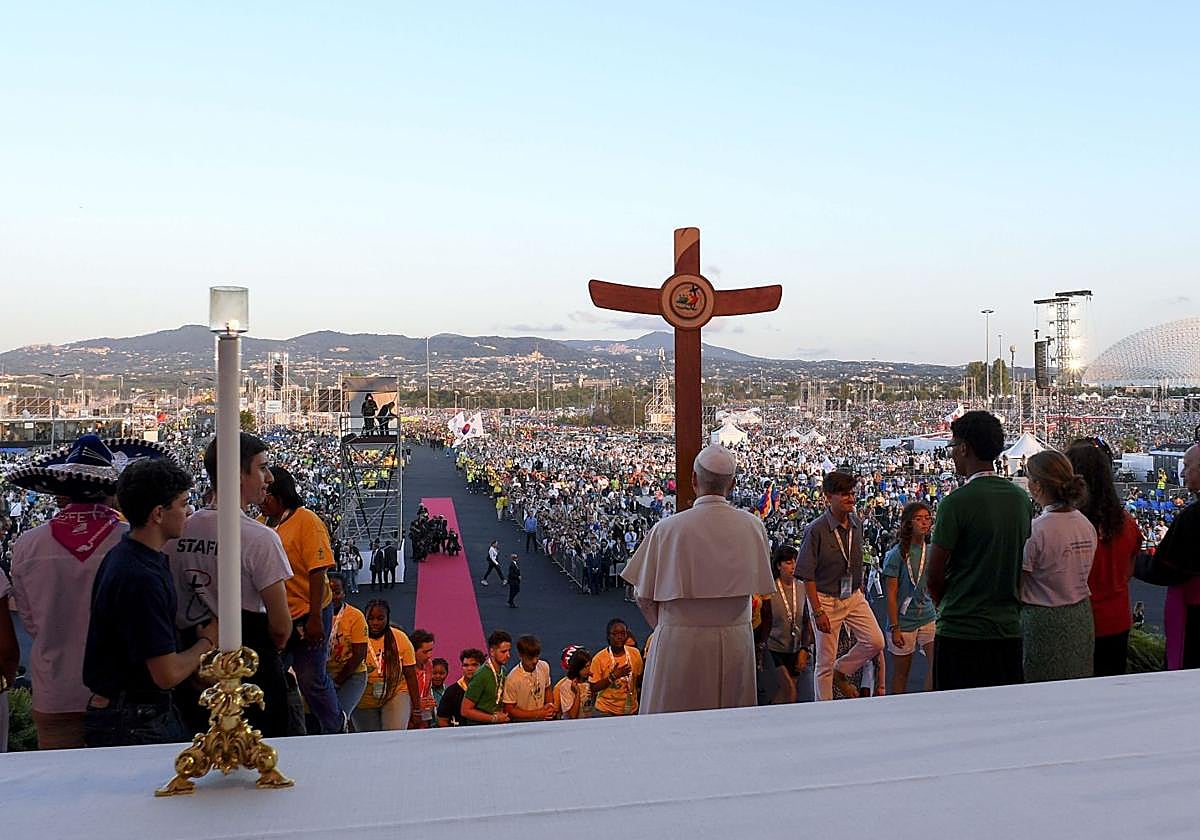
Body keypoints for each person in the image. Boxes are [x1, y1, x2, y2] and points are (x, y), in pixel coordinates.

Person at [0, 435, 174, 749]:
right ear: (115, 494)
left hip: (54, 689)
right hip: (120, 694)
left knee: (58, 785)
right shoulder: (135, 543)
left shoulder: (27, 544)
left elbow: (29, 622)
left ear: (58, 495)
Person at [622, 444, 774, 714]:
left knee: (673, 729)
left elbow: (642, 596)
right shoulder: (753, 526)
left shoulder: (667, 529)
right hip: (735, 642)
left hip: (678, 643)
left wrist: (666, 627)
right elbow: (759, 592)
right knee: (730, 727)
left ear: (694, 480)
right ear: (733, 484)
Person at [83, 459, 217, 747]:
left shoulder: (127, 556)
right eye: (182, 504)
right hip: (134, 720)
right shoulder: (140, 577)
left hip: (130, 712)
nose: (188, 511)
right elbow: (165, 674)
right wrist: (207, 642)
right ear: (158, 513)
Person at [169, 432, 294, 738]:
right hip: (252, 671)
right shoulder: (261, 538)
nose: (268, 478)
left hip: (190, 667)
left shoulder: (177, 532)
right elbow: (280, 626)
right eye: (262, 468)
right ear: (238, 474)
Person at [927, 411, 1033, 690]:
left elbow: (934, 575)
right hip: (1007, 630)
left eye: (952, 447)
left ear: (964, 448)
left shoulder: (956, 503)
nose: (952, 455)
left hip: (961, 631)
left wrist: (948, 604)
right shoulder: (1020, 499)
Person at [259, 465, 342, 734]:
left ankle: (335, 728)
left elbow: (318, 571)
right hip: (279, 614)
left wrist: (316, 617)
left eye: (266, 494)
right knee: (272, 676)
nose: (261, 499)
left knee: (311, 679)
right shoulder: (260, 524)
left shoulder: (307, 521)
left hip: (310, 611)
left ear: (279, 495)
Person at [795, 470, 886, 701]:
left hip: (853, 594)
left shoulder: (856, 523)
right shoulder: (815, 530)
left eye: (852, 494)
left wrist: (861, 584)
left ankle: (841, 669)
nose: (851, 499)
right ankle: (824, 712)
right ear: (828, 497)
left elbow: (854, 560)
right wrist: (817, 611)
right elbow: (807, 576)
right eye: (844, 494)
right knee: (824, 663)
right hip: (825, 598)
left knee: (875, 641)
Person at [1021, 451, 1097, 682]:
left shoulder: (1037, 530)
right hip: (1080, 616)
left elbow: (1018, 582)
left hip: (1043, 621)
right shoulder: (1085, 525)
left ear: (1036, 486)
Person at [1068, 439, 1140, 676]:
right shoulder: (1127, 524)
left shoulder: (1068, 527)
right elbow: (1128, 572)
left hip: (1077, 621)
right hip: (1117, 619)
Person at [1135, 444, 1200, 669]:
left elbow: (1164, 570)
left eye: (1188, 466)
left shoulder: (1192, 517)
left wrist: (1134, 561)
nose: (1182, 473)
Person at [882, 502, 937, 694]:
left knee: (936, 664)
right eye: (919, 518)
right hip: (903, 621)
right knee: (901, 674)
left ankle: (929, 703)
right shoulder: (896, 555)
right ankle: (899, 711)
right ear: (908, 523)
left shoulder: (930, 551)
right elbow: (890, 595)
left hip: (927, 616)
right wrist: (895, 627)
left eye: (927, 518)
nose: (924, 522)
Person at [353, 600, 421, 731]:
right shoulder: (356, 637)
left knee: (394, 735)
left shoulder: (400, 638)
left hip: (395, 692)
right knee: (369, 740)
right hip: (363, 698)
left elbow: (411, 676)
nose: (375, 623)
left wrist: (417, 709)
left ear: (387, 618)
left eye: (380, 618)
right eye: (370, 618)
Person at [765, 545, 812, 704]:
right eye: (788, 562)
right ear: (779, 565)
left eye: (795, 562)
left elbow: (807, 620)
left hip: (796, 647)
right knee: (789, 689)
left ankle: (772, 721)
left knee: (788, 694)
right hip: (774, 649)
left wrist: (804, 649)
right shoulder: (770, 589)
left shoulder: (803, 587)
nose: (793, 566)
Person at [327, 573, 368, 724]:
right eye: (327, 592)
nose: (331, 597)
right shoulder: (311, 615)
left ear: (344, 593)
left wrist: (336, 682)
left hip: (351, 675)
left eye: (337, 592)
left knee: (338, 716)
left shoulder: (355, 617)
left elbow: (359, 655)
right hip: (321, 676)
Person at [588, 618, 643, 717]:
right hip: (605, 710)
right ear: (608, 636)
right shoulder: (599, 658)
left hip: (631, 710)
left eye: (623, 633)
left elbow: (638, 680)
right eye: (615, 634)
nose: (619, 637)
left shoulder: (635, 653)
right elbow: (593, 687)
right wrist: (612, 677)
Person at [460, 629, 513, 725]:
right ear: (492, 652)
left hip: (495, 727)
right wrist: (493, 718)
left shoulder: (503, 671)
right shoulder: (481, 675)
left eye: (509, 651)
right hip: (479, 730)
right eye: (503, 651)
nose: (508, 655)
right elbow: (465, 710)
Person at [502, 634, 555, 722]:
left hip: (543, 722)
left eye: (537, 656)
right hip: (522, 725)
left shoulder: (544, 666)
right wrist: (538, 714)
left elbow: (547, 688)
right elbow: (509, 710)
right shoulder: (512, 679)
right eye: (530, 658)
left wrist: (549, 705)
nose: (535, 661)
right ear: (520, 655)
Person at [436, 648, 485, 727]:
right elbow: (442, 720)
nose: (469, 668)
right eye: (466, 665)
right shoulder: (451, 692)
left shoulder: (489, 688)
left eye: (474, 665)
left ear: (482, 667)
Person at [554, 646, 593, 720]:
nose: (589, 669)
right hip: (573, 727)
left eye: (589, 665)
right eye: (586, 667)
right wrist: (577, 693)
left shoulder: (588, 681)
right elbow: (572, 716)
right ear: (577, 668)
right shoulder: (566, 686)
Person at [410, 629, 436, 728]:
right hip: (407, 716)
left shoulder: (429, 664)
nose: (430, 655)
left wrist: (429, 701)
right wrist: (416, 705)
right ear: (413, 650)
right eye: (425, 652)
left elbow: (426, 690)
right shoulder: (404, 668)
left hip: (424, 715)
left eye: (431, 650)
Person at [429, 657, 449, 727]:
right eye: (434, 673)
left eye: (441, 673)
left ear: (447, 674)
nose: (438, 676)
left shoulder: (449, 691)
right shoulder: (425, 691)